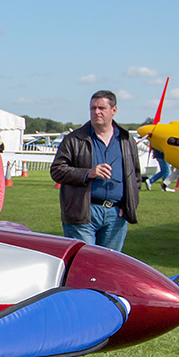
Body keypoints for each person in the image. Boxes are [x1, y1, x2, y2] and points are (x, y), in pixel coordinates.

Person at [50, 89, 140, 252]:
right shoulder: (74, 139)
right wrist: (88, 173)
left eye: (101, 108)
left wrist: (127, 205)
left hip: (116, 214)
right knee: (85, 262)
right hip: (83, 213)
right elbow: (57, 170)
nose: (96, 112)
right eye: (93, 108)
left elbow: (136, 177)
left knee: (110, 266)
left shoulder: (126, 140)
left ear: (114, 110)